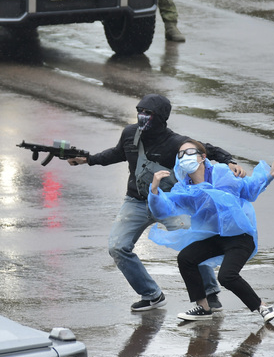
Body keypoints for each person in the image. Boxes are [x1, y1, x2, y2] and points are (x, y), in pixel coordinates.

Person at [68, 94, 244, 312]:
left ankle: (209, 292)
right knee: (117, 247)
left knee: (193, 243)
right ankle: (151, 295)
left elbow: (207, 150)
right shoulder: (130, 134)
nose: (142, 116)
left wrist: (230, 161)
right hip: (137, 201)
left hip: (170, 203)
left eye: (148, 113)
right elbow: (117, 153)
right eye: (140, 111)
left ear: (160, 117)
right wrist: (89, 159)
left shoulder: (176, 143)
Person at [147, 139, 274, 323]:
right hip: (216, 238)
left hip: (240, 236)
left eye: (189, 153)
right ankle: (204, 308)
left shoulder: (223, 172)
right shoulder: (184, 188)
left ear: (203, 157)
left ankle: (262, 306)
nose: (184, 157)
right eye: (180, 154)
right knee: (186, 258)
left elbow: (249, 191)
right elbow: (164, 210)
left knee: (226, 276)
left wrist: (270, 175)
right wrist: (154, 190)